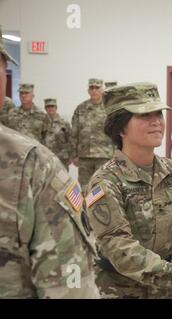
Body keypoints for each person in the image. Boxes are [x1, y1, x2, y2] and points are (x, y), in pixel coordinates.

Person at [0, 25, 99, 299]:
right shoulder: (76, 111)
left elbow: (55, 136)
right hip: (67, 159)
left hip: (71, 159)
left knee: (92, 194)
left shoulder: (36, 162)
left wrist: (60, 155)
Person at [85, 82, 172, 299]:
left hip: (166, 289)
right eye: (145, 115)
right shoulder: (105, 182)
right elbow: (120, 248)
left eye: (159, 113)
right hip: (120, 289)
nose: (156, 121)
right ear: (120, 127)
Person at [70, 78, 113, 189]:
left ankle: (100, 207)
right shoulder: (81, 108)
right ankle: (86, 206)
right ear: (88, 90)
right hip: (85, 156)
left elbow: (115, 130)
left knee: (102, 187)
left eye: (97, 88)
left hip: (104, 155)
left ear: (102, 90)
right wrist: (74, 155)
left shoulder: (109, 108)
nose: (94, 90)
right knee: (85, 187)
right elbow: (74, 132)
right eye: (91, 88)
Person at [43, 98, 72, 168]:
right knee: (48, 178)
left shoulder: (64, 123)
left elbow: (71, 139)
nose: (50, 108)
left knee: (62, 178)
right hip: (46, 159)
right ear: (45, 108)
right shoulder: (41, 123)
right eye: (48, 106)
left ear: (56, 107)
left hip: (62, 159)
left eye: (52, 106)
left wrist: (71, 156)